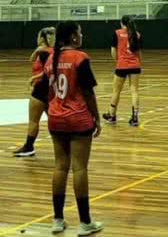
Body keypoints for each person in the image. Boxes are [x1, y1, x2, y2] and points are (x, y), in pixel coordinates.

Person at [32, 21, 104, 235]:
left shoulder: (51, 58)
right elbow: (88, 93)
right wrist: (97, 118)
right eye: (80, 32)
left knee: (59, 167)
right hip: (78, 118)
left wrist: (55, 108)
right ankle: (84, 222)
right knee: (79, 168)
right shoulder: (80, 58)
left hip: (56, 119)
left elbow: (44, 90)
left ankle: (57, 219)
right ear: (73, 36)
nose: (82, 35)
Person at [13, 27, 55, 157]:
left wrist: (34, 78)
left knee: (34, 120)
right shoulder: (44, 51)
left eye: (38, 36)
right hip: (46, 89)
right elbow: (31, 60)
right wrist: (37, 51)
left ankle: (29, 146)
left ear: (42, 38)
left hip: (42, 89)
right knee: (53, 121)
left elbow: (49, 71)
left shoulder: (45, 53)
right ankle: (64, 146)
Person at [102, 15, 142, 126]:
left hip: (122, 65)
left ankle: (112, 115)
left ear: (121, 23)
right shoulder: (136, 34)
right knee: (134, 90)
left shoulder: (117, 33)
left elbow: (113, 51)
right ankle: (135, 118)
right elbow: (138, 52)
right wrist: (139, 63)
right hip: (135, 65)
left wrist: (118, 61)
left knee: (116, 91)